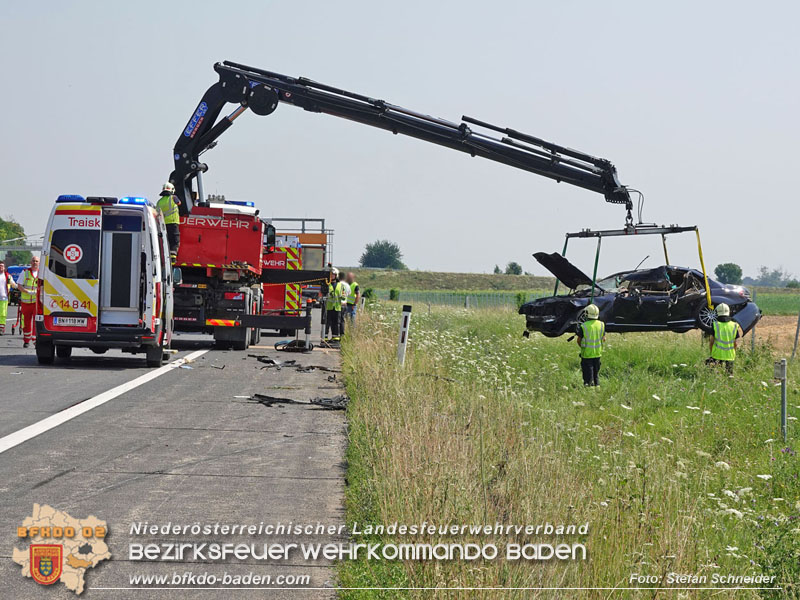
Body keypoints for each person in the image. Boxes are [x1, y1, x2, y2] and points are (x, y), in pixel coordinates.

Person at [706, 303, 742, 374]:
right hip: (730, 355)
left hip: (717, 355)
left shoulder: (715, 325)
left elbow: (711, 343)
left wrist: (712, 354)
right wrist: (733, 352)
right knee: (729, 375)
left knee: (715, 375)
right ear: (728, 312)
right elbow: (735, 344)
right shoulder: (734, 325)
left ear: (717, 313)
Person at [576, 303, 605, 387]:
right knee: (596, 374)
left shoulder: (584, 326)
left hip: (587, 355)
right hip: (598, 354)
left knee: (588, 375)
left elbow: (579, 340)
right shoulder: (601, 325)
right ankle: (597, 387)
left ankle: (589, 389)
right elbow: (604, 339)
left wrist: (584, 348)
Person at [18, 256, 39, 348]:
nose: (35, 262)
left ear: (39, 263)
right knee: (26, 322)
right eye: (33, 261)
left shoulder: (41, 273)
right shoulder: (25, 272)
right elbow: (19, 285)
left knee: (36, 321)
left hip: (36, 303)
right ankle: (26, 340)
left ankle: (35, 340)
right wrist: (27, 291)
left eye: (37, 261)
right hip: (26, 303)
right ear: (31, 262)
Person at [156, 182, 181, 260]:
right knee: (174, 241)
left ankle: (166, 257)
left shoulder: (159, 201)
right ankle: (173, 258)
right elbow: (179, 203)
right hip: (173, 222)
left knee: (167, 240)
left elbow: (157, 213)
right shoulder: (173, 197)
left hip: (164, 224)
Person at [325, 269, 346, 341]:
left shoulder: (340, 285)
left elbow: (343, 296)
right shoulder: (327, 284)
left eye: (333, 275)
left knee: (336, 323)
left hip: (337, 307)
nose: (331, 276)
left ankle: (335, 337)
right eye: (330, 275)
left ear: (336, 275)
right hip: (329, 307)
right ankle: (325, 336)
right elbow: (324, 294)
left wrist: (342, 296)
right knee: (327, 322)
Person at [0, 261, 17, 335]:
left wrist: (20, 287)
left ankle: (1, 328)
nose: (1, 267)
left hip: (4, 297)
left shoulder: (8, 276)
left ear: (4, 267)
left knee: (3, 314)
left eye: (2, 266)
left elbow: (13, 284)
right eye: (0, 266)